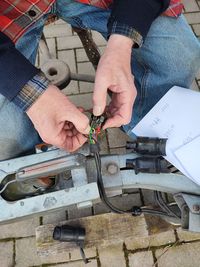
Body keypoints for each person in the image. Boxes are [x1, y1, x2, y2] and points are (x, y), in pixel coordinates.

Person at [0, 0, 199, 161]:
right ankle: (33, 169)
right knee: (8, 136)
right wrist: (33, 95)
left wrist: (122, 43)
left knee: (178, 58)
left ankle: (144, 126)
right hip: (9, 13)